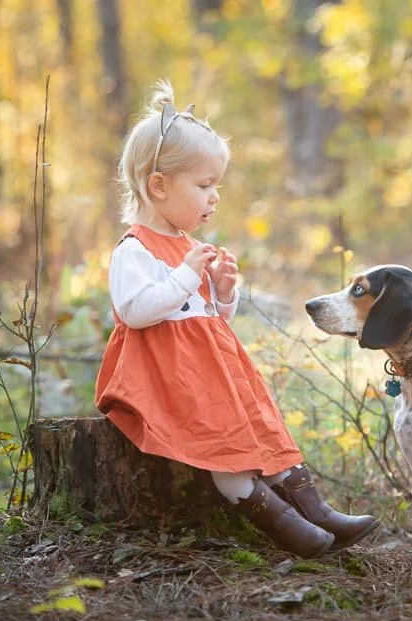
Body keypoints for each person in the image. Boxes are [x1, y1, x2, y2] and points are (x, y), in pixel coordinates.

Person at [95, 80, 379, 559]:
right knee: (221, 447)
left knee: (260, 428)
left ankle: (319, 511)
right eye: (204, 186)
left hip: (214, 365)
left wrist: (223, 292)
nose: (214, 197)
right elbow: (135, 312)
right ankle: (288, 528)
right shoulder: (134, 249)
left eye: (216, 186)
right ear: (158, 185)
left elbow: (207, 316)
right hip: (172, 375)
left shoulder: (188, 246)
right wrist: (187, 276)